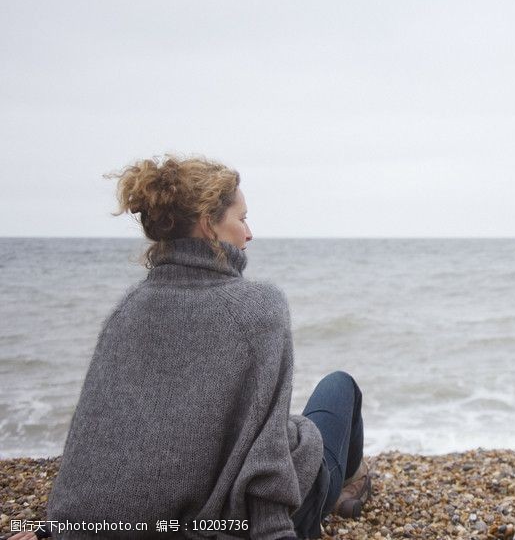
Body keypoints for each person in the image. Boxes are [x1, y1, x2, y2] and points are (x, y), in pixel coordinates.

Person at [14, 155, 370, 540]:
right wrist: (273, 530)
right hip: (248, 521)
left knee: (291, 428)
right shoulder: (260, 307)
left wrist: (58, 530)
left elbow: (100, 435)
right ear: (208, 223)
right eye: (242, 218)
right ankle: (350, 484)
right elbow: (266, 455)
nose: (249, 233)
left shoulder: (129, 308)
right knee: (340, 387)